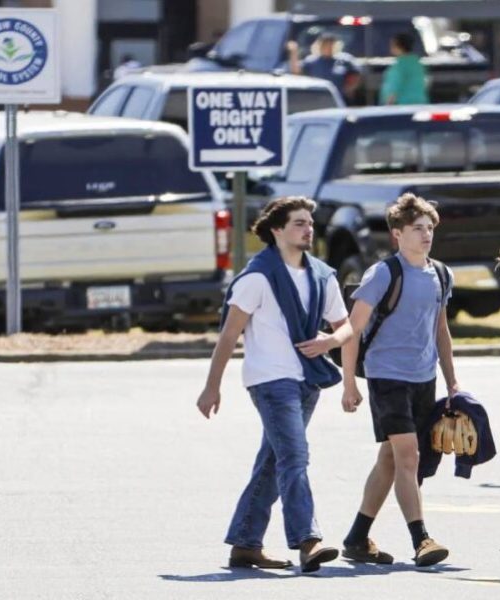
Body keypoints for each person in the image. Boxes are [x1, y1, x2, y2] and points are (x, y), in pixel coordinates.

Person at [195, 196, 350, 574]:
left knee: (273, 461)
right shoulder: (258, 277)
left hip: (308, 379)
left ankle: (246, 544)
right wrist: (211, 386)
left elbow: (345, 327)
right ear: (277, 230)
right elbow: (229, 336)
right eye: (299, 223)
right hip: (270, 381)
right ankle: (308, 542)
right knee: (295, 458)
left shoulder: (321, 275)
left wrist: (330, 343)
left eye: (310, 223)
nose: (308, 228)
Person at [339, 193, 456, 568]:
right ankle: (421, 539)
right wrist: (349, 383)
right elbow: (352, 330)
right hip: (386, 375)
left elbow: (441, 330)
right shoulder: (384, 273)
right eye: (417, 229)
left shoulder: (441, 273)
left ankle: (357, 538)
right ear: (397, 234)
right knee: (409, 455)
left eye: (429, 228)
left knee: (391, 458)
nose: (426, 235)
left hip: (424, 376)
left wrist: (452, 382)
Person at [287, 34, 361, 101]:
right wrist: (293, 52)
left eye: (331, 44)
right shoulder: (311, 61)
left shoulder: (345, 60)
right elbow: (296, 72)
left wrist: (350, 89)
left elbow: (356, 74)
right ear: (319, 46)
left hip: (339, 99)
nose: (328, 47)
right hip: (317, 99)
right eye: (325, 44)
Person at [380, 32, 428, 105]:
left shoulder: (398, 67)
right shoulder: (419, 65)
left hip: (402, 107)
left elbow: (393, 89)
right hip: (420, 104)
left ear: (397, 45)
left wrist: (387, 106)